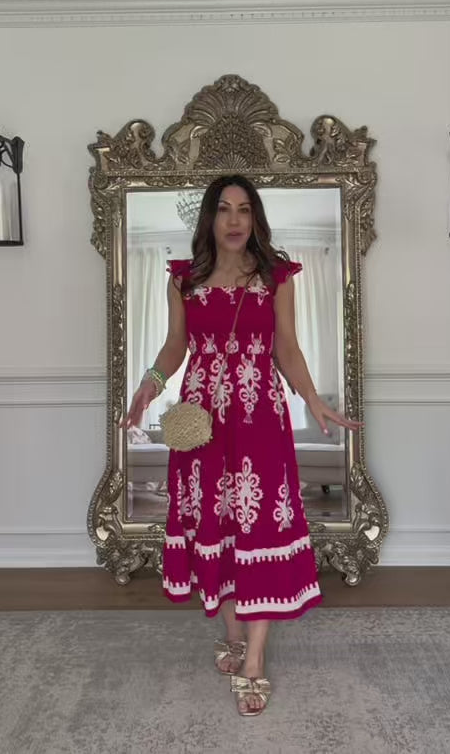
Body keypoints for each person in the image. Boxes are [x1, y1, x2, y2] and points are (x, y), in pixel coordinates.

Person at [123, 174, 362, 716]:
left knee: (257, 522)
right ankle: (233, 631)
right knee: (217, 523)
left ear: (255, 219)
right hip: (202, 418)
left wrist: (313, 399)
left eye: (245, 210)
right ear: (210, 217)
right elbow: (174, 346)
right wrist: (148, 384)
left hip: (259, 418)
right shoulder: (184, 280)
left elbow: (288, 348)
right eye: (225, 209)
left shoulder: (277, 277)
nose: (235, 220)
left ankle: (254, 658)